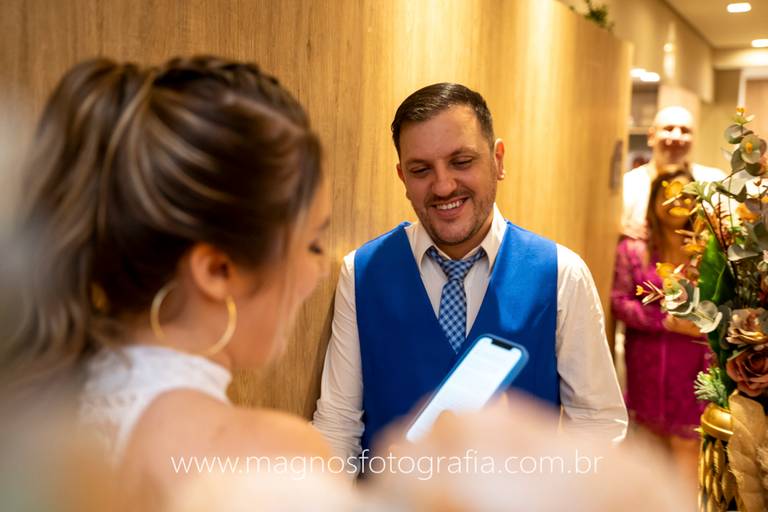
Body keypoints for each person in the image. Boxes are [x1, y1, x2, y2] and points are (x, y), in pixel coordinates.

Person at [4, 56, 332, 509]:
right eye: (312, 244)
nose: (320, 270)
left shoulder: (33, 417)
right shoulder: (274, 459)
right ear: (217, 270)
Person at [313, 83, 627, 471]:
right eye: (421, 170)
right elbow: (338, 424)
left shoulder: (562, 274)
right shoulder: (361, 273)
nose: (444, 186)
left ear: (498, 160)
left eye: (461, 161)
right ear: (402, 177)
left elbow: (597, 424)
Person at [611, 168, 709, 483]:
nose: (676, 202)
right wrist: (664, 321)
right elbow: (619, 302)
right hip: (647, 368)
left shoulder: (708, 254)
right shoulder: (633, 250)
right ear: (653, 201)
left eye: (684, 195)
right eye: (667, 194)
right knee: (648, 463)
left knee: (687, 458)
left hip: (693, 371)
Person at [622, 105, 725, 239]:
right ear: (651, 136)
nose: (677, 136)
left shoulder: (714, 181)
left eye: (685, 131)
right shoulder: (628, 184)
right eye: (669, 129)